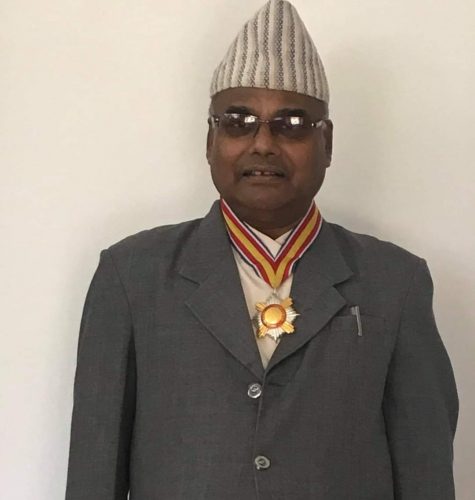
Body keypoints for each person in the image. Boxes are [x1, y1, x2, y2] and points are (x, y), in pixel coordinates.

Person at [65, 1, 458, 498]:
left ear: (327, 143)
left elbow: (425, 470)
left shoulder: (394, 282)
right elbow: (94, 470)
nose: (264, 143)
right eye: (239, 121)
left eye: (292, 123)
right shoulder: (132, 275)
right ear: (210, 140)